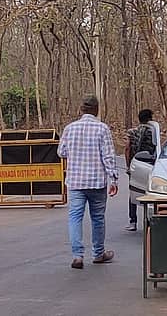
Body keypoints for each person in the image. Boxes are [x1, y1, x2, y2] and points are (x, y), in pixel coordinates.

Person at [58, 95, 119, 270]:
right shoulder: (102, 129)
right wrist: (113, 178)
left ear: (81, 109)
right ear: (97, 110)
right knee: (98, 218)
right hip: (97, 182)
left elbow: (61, 152)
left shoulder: (70, 129)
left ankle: (77, 256)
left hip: (76, 182)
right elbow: (108, 156)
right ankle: (98, 253)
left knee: (75, 218)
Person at [124, 109, 156, 232]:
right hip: (150, 165)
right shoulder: (153, 132)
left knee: (134, 191)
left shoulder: (132, 132)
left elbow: (127, 148)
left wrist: (128, 165)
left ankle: (133, 221)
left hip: (135, 165)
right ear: (150, 119)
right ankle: (150, 221)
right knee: (150, 193)